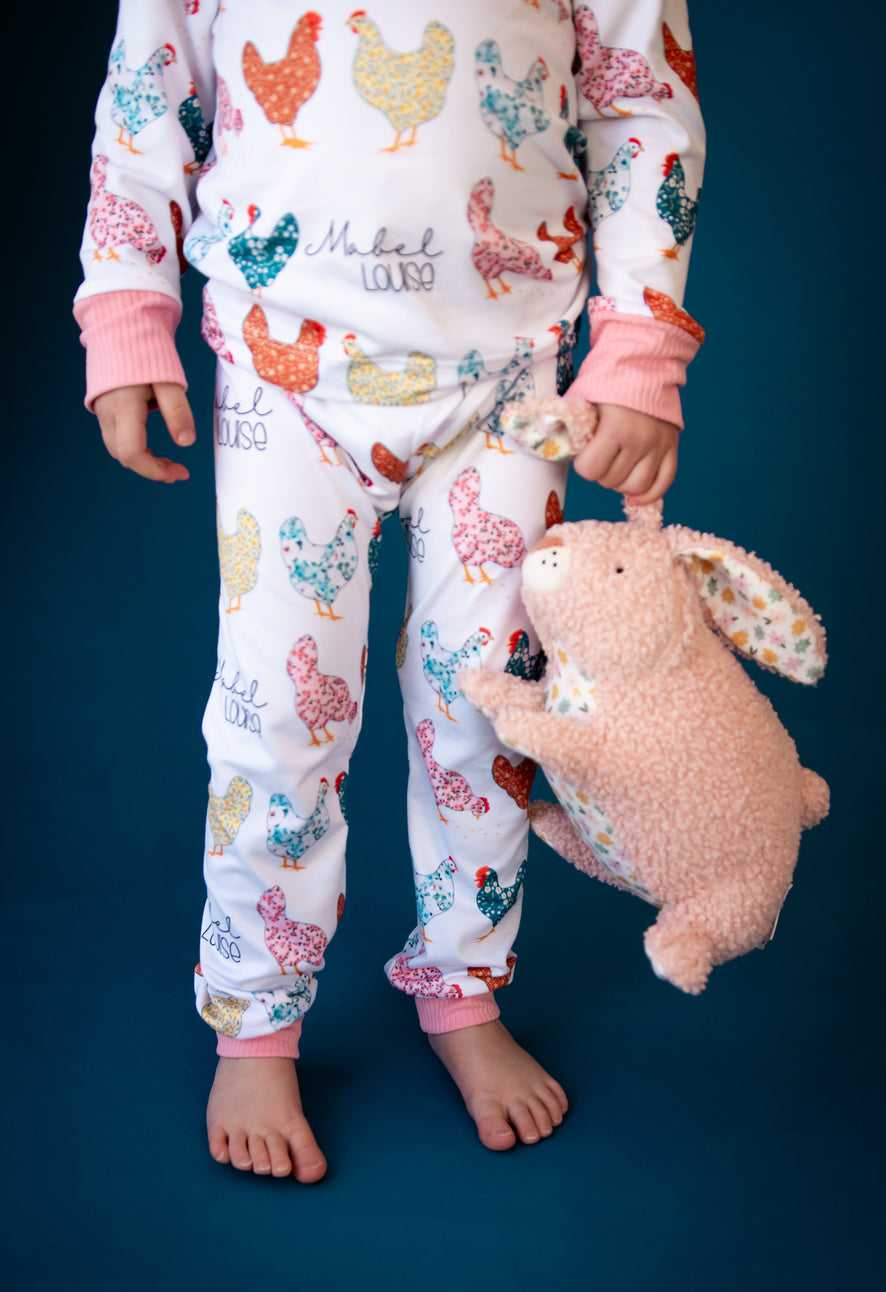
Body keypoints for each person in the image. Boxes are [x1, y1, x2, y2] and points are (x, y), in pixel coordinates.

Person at [75, 0, 705, 1183]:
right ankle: (257, 1014)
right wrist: (127, 309)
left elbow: (639, 101)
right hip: (285, 363)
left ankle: (463, 987)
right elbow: (146, 92)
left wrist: (640, 345)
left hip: (511, 366)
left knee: (490, 706)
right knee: (275, 712)